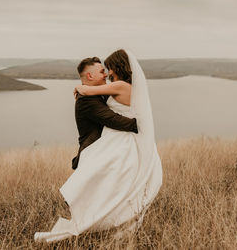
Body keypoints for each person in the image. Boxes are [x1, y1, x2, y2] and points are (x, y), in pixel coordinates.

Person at [34, 49, 163, 243]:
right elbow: (111, 116)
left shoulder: (110, 88)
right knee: (109, 191)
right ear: (90, 75)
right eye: (102, 71)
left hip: (116, 144)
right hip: (97, 148)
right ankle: (97, 224)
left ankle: (104, 224)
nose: (106, 74)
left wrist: (82, 87)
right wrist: (138, 124)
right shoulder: (91, 99)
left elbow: (109, 112)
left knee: (114, 190)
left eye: (107, 69)